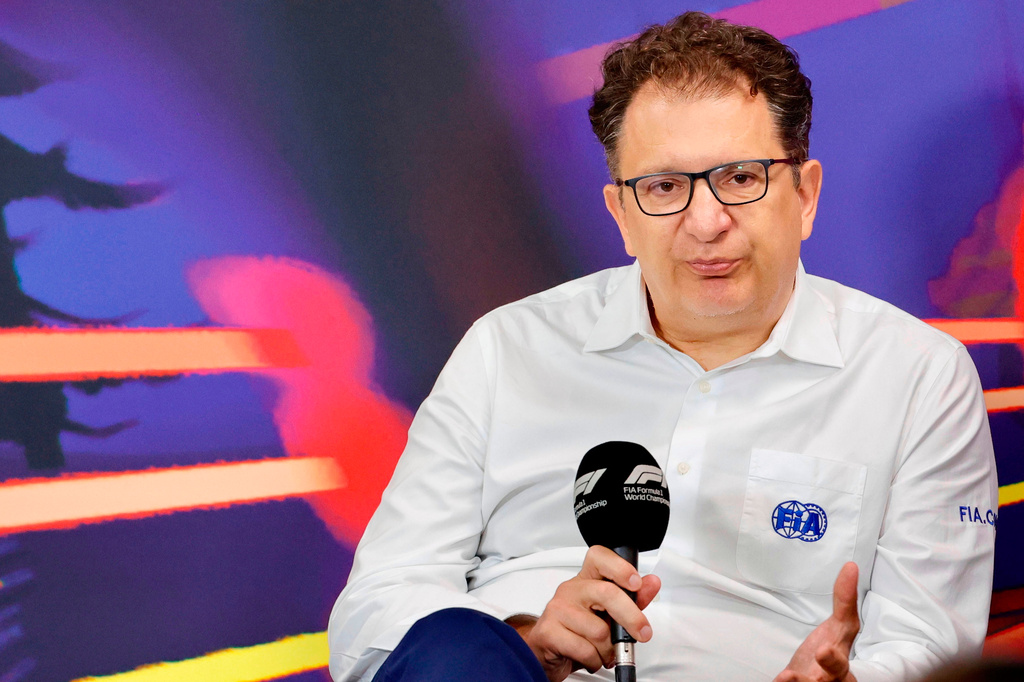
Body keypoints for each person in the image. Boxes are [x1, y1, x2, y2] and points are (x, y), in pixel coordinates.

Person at [328, 11, 997, 682]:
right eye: (664, 188)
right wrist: (524, 642)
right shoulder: (507, 349)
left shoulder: (916, 376)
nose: (706, 223)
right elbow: (372, 616)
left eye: (741, 178)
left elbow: (931, 641)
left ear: (805, 196)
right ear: (621, 215)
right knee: (453, 646)